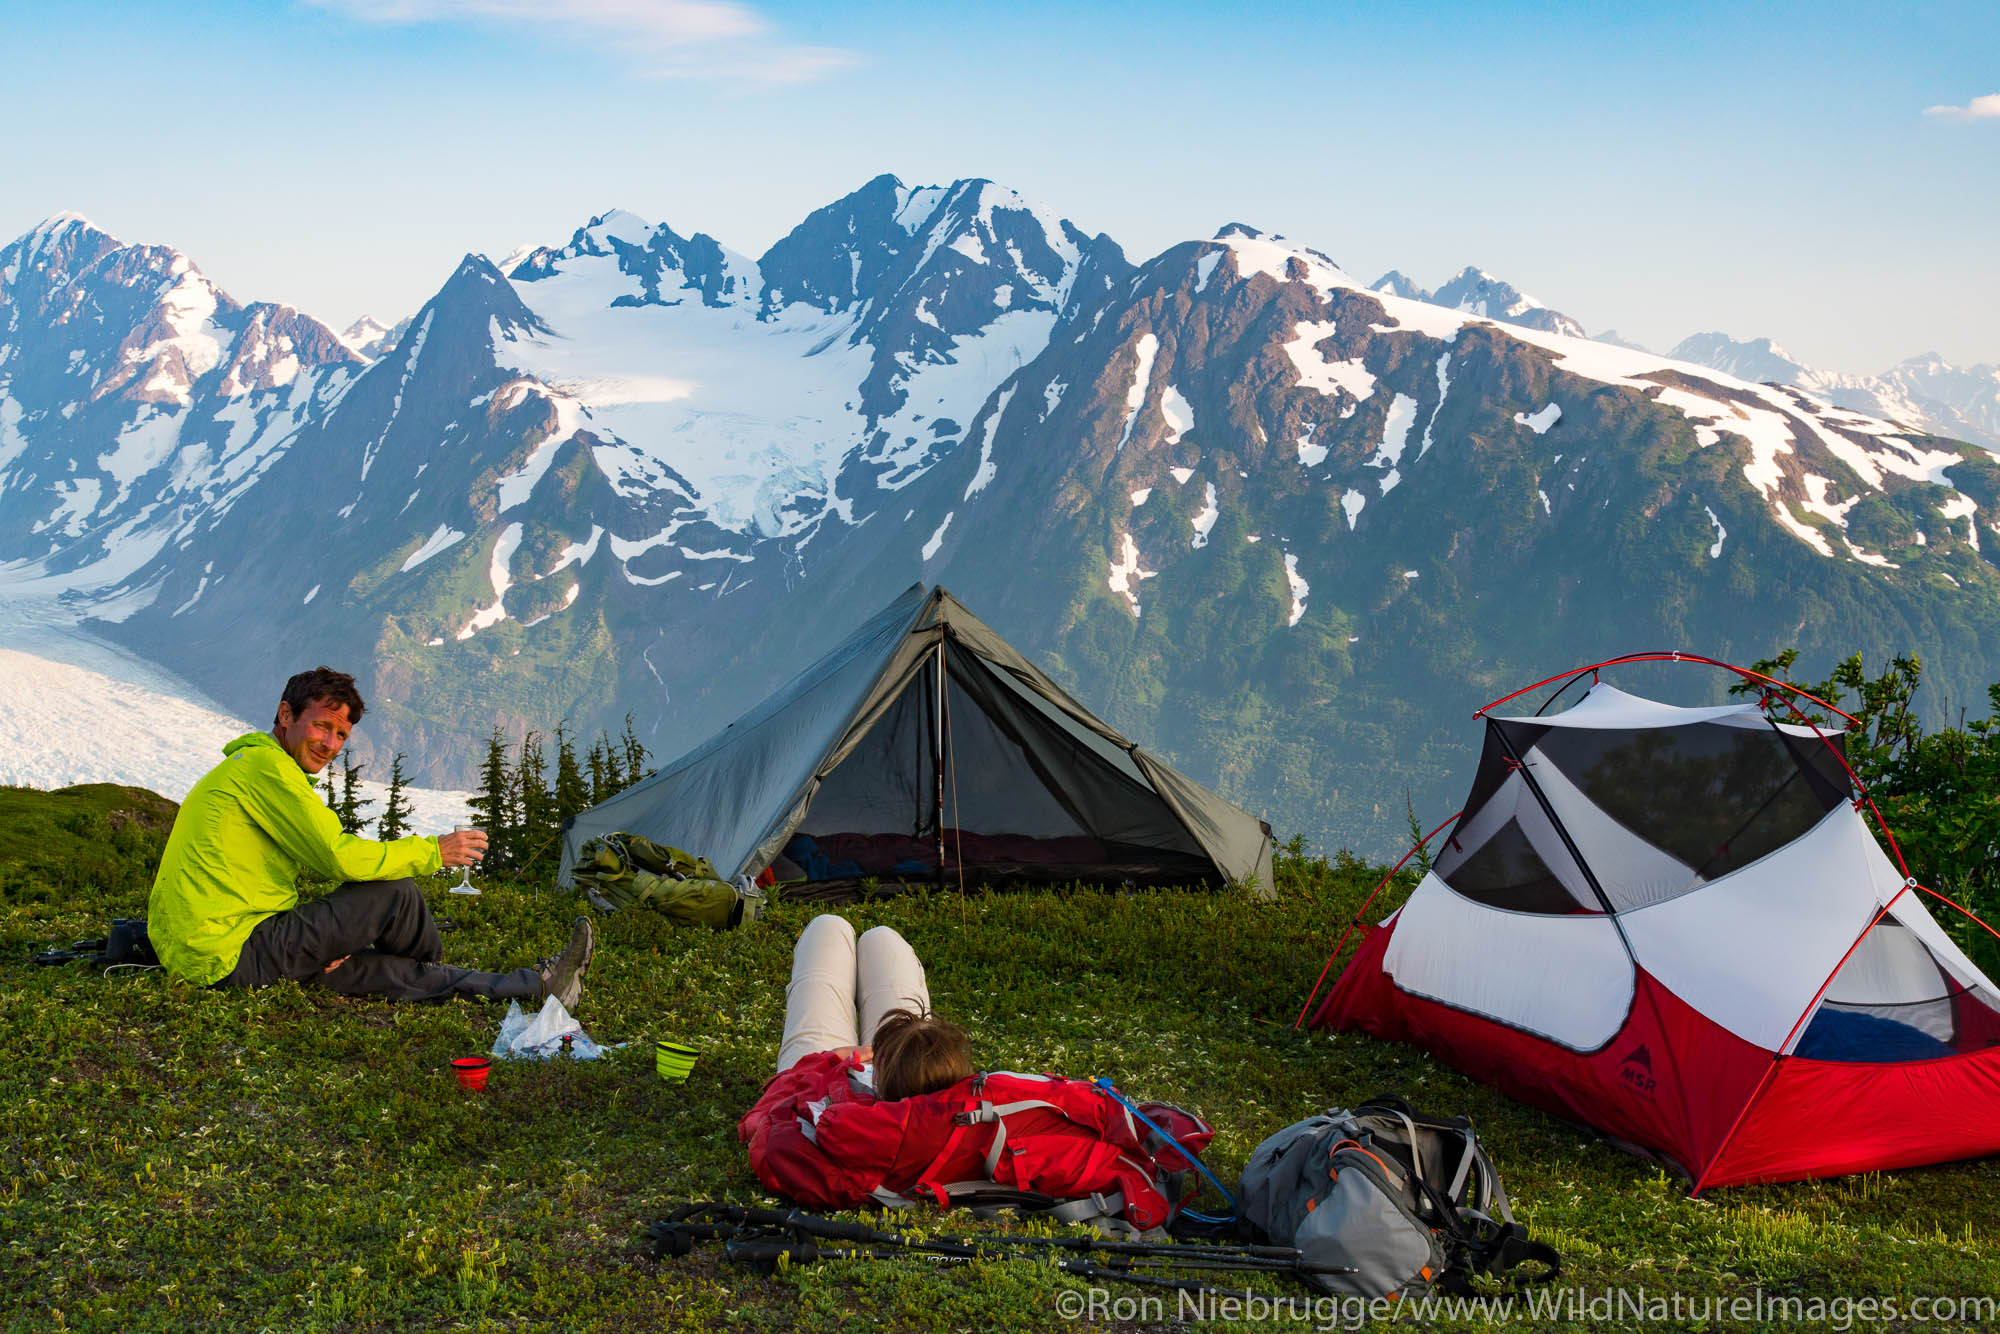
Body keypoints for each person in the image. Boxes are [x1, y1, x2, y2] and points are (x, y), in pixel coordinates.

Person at [147, 666, 594, 1005]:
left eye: (341, 735)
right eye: (323, 726)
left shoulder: (253, 767)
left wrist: (339, 944)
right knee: (393, 894)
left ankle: (538, 987)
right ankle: (426, 963)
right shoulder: (266, 770)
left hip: (209, 955)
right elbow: (336, 856)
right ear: (286, 715)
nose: (330, 744)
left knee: (370, 973)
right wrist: (434, 852)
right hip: (233, 950)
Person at [776, 913, 970, 1099]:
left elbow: (785, 1103)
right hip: (918, 1083)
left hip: (815, 1091)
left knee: (828, 928)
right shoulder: (956, 1120)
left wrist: (830, 1058)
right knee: (880, 939)